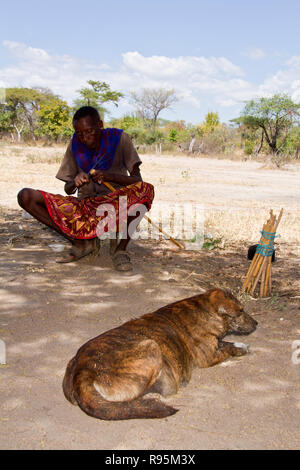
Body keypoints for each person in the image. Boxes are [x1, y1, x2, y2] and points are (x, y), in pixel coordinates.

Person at [17, 106, 154, 272]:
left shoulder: (119, 139)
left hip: (115, 207)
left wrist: (110, 176)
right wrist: (75, 181)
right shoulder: (75, 144)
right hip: (85, 209)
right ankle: (81, 244)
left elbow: (137, 181)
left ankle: (120, 250)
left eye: (89, 131)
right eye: (80, 133)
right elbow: (68, 189)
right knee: (25, 196)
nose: (85, 138)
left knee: (146, 189)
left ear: (100, 125)